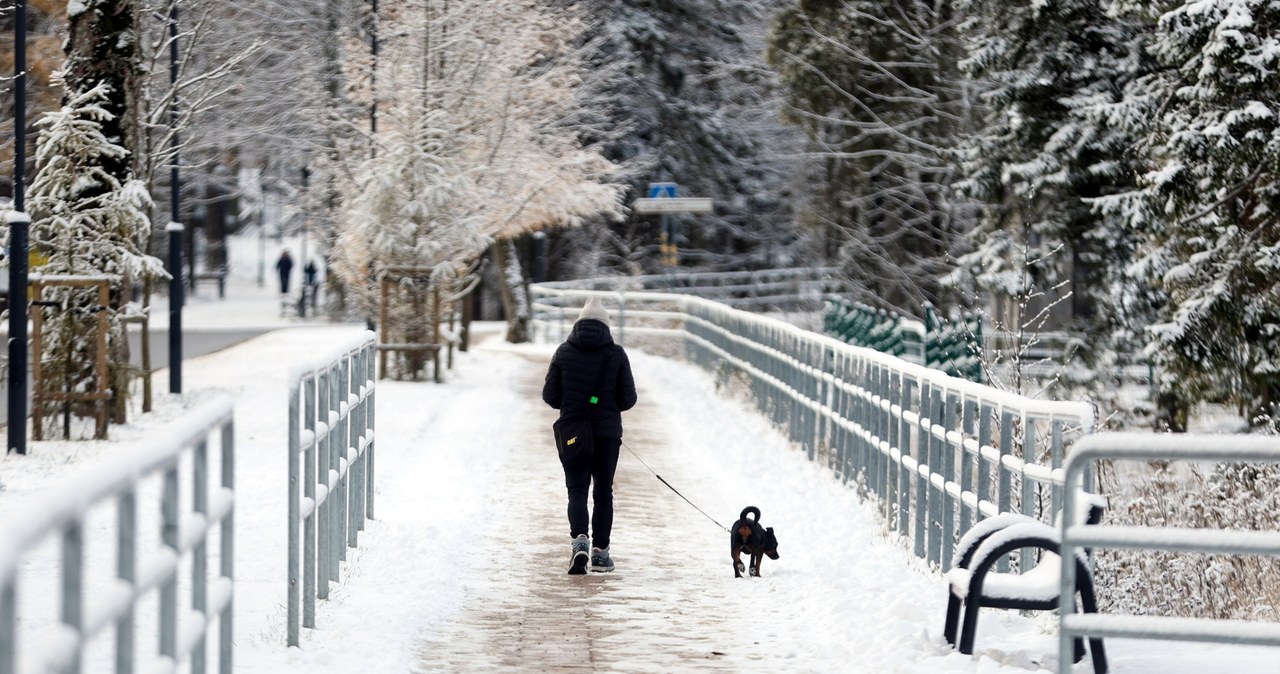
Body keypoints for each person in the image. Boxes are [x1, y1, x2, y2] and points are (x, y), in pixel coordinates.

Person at [542, 296, 637, 575]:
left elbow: (550, 395)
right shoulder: (616, 354)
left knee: (577, 490)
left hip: (574, 432)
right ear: (606, 327)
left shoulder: (563, 352)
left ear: (578, 324)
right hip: (607, 434)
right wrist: (605, 405)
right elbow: (628, 399)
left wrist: (573, 403)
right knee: (603, 492)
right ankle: (600, 554)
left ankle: (579, 541)